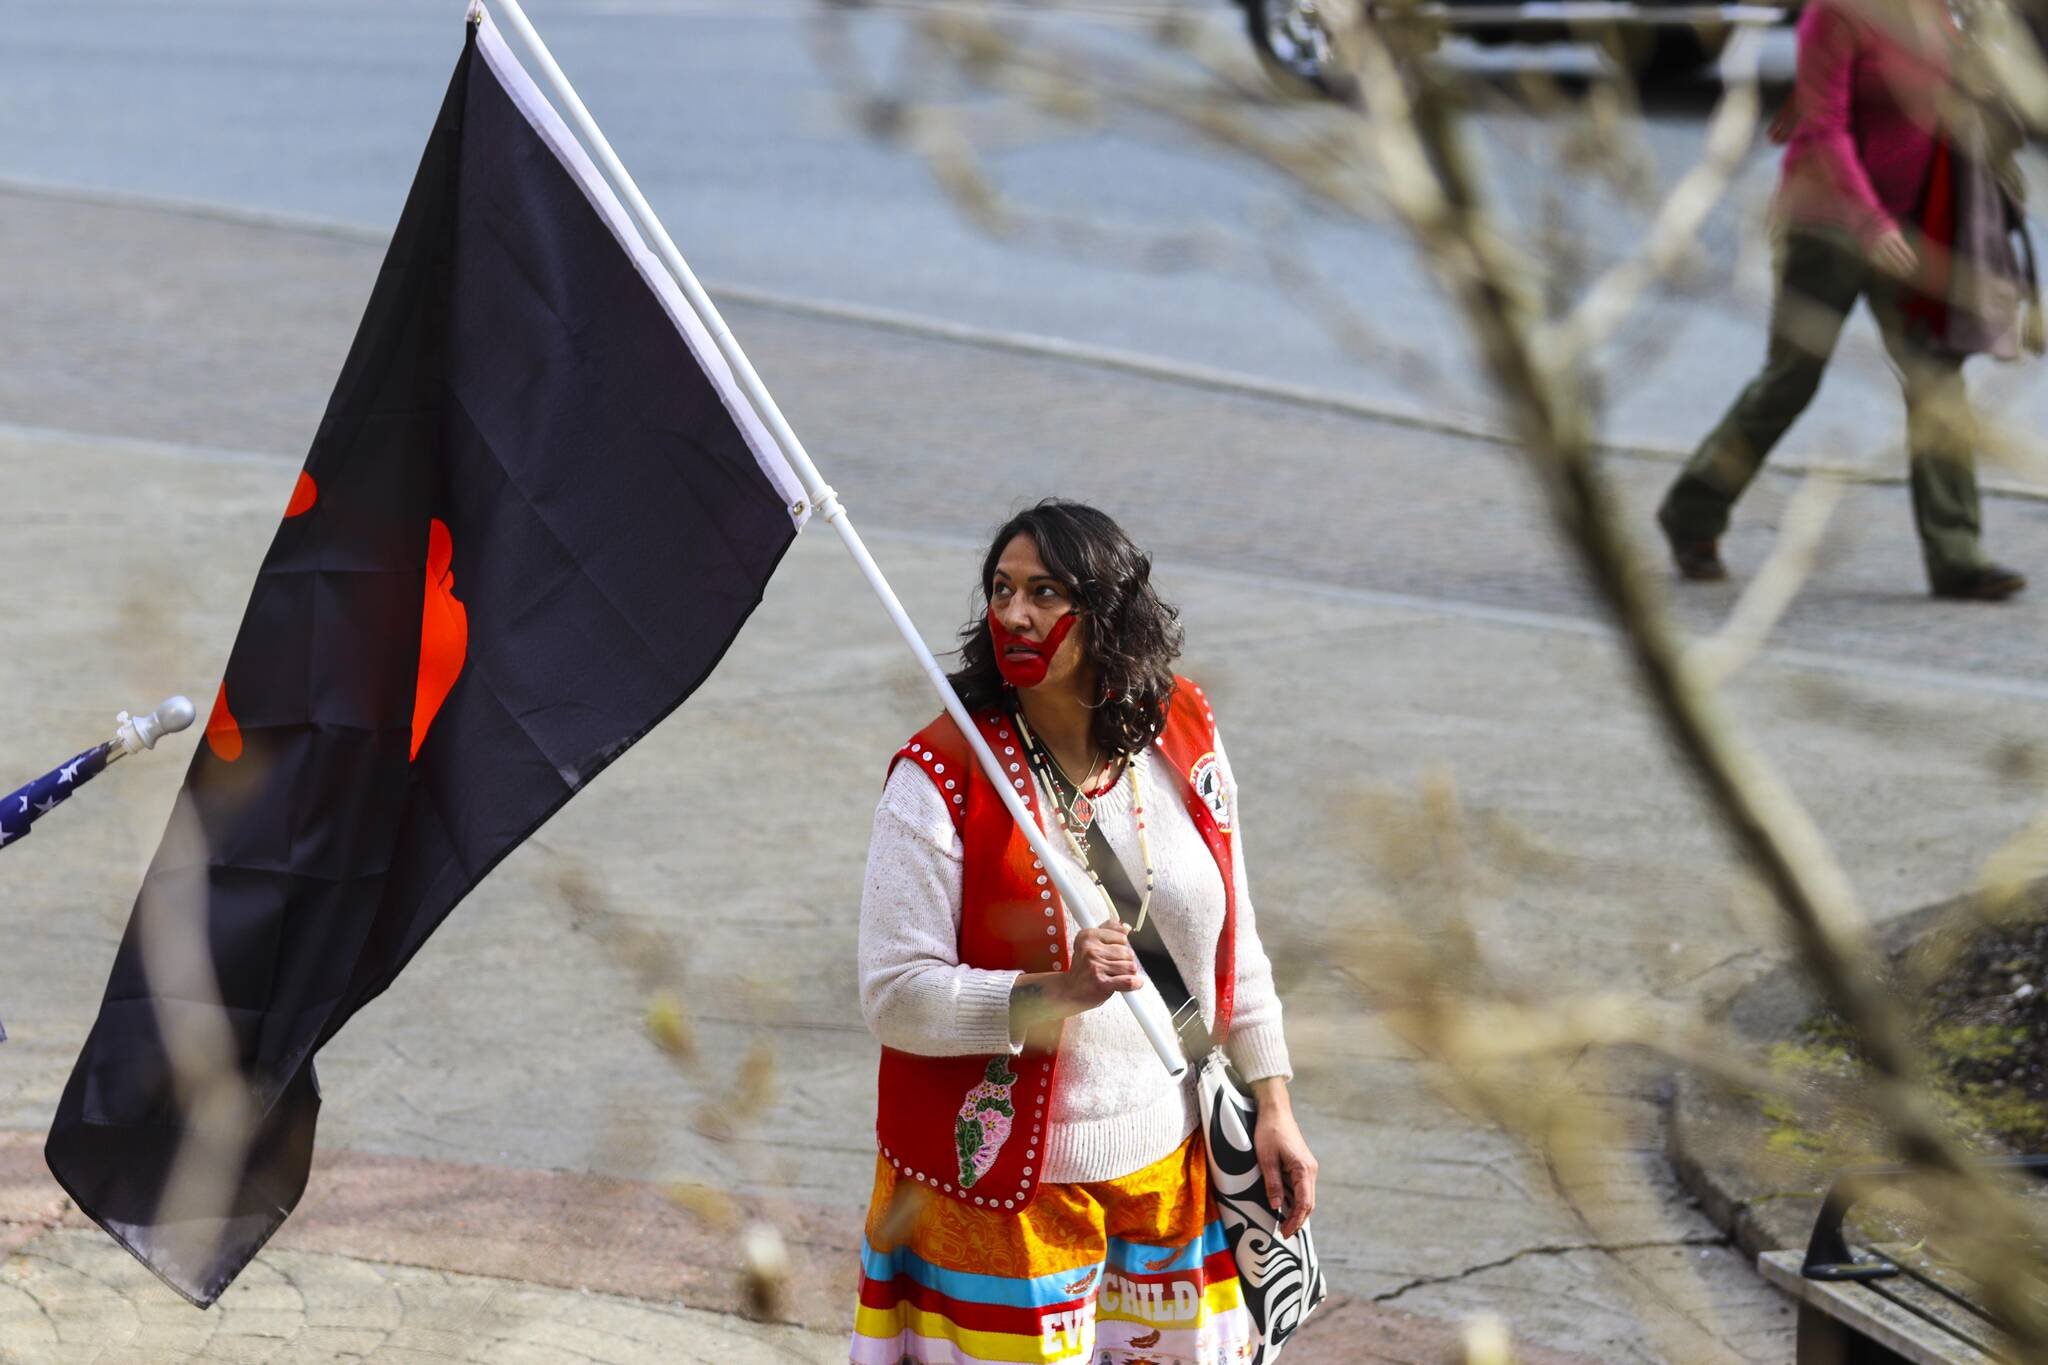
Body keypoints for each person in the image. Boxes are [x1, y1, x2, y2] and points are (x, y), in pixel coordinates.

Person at [849, 500, 1315, 1364]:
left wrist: (1275, 1102)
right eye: (1001, 588)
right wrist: (1052, 992)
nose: (1015, 613)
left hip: (1176, 1175)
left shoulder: (1182, 728)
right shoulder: (942, 777)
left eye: (1046, 591)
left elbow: (1233, 941)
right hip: (1006, 1203)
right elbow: (892, 997)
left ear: (1107, 613)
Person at [1656, 0, 2028, 600]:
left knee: (1937, 380)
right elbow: (1825, 128)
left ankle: (1958, 556)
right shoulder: (1835, 12)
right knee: (1792, 379)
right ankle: (1692, 511)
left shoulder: (1944, 9)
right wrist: (1870, 225)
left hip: (1911, 220)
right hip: (1825, 223)